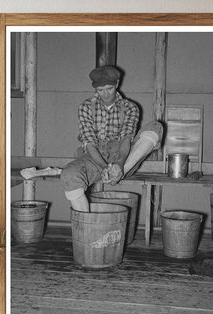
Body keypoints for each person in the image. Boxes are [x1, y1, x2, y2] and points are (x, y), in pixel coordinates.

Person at [60, 65, 163, 212]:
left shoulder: (130, 107)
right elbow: (89, 144)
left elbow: (126, 139)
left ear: (117, 84)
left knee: (156, 127)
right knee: (68, 175)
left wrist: (120, 165)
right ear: (95, 89)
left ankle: (119, 173)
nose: (106, 94)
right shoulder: (85, 107)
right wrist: (104, 168)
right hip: (94, 159)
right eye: (100, 90)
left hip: (124, 157)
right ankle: (88, 224)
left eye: (109, 88)